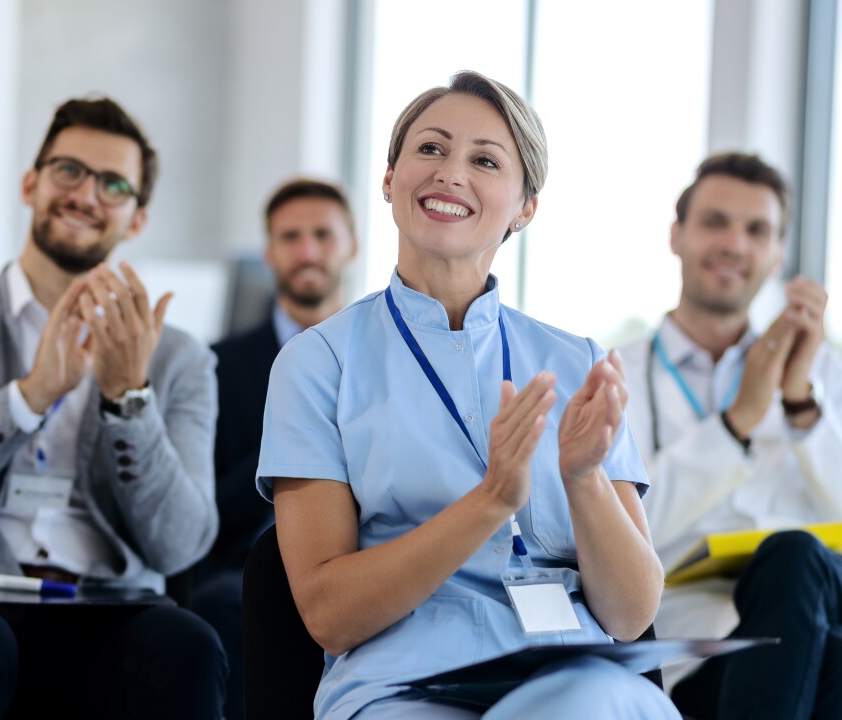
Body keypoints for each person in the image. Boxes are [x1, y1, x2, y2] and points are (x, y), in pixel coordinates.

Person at [257, 70, 680, 720]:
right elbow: (329, 616)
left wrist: (585, 477)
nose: (451, 173)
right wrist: (490, 501)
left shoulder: (579, 364)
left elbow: (630, 614)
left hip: (574, 678)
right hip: (404, 688)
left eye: (485, 160)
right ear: (389, 177)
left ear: (525, 207)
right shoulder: (317, 363)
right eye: (430, 149)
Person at [0, 96, 226, 719]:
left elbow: (180, 545)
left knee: (189, 647)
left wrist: (129, 398)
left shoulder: (180, 358)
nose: (86, 194)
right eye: (69, 170)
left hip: (112, 606)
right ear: (31, 183)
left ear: (137, 217)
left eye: (113, 184)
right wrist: (29, 397)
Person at [617, 152, 842, 719]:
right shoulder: (618, 372)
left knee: (797, 557)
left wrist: (798, 403)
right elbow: (623, 535)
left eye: (756, 230)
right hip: (700, 652)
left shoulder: (820, 374)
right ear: (677, 235)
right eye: (716, 222)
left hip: (828, 603)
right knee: (840, 654)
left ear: (777, 254)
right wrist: (736, 423)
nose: (735, 244)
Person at [192, 177, 358, 720]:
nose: (307, 251)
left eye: (322, 235)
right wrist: (297, 435)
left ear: (351, 245)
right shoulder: (215, 366)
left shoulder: (386, 361)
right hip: (246, 567)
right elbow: (207, 509)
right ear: (268, 253)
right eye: (290, 237)